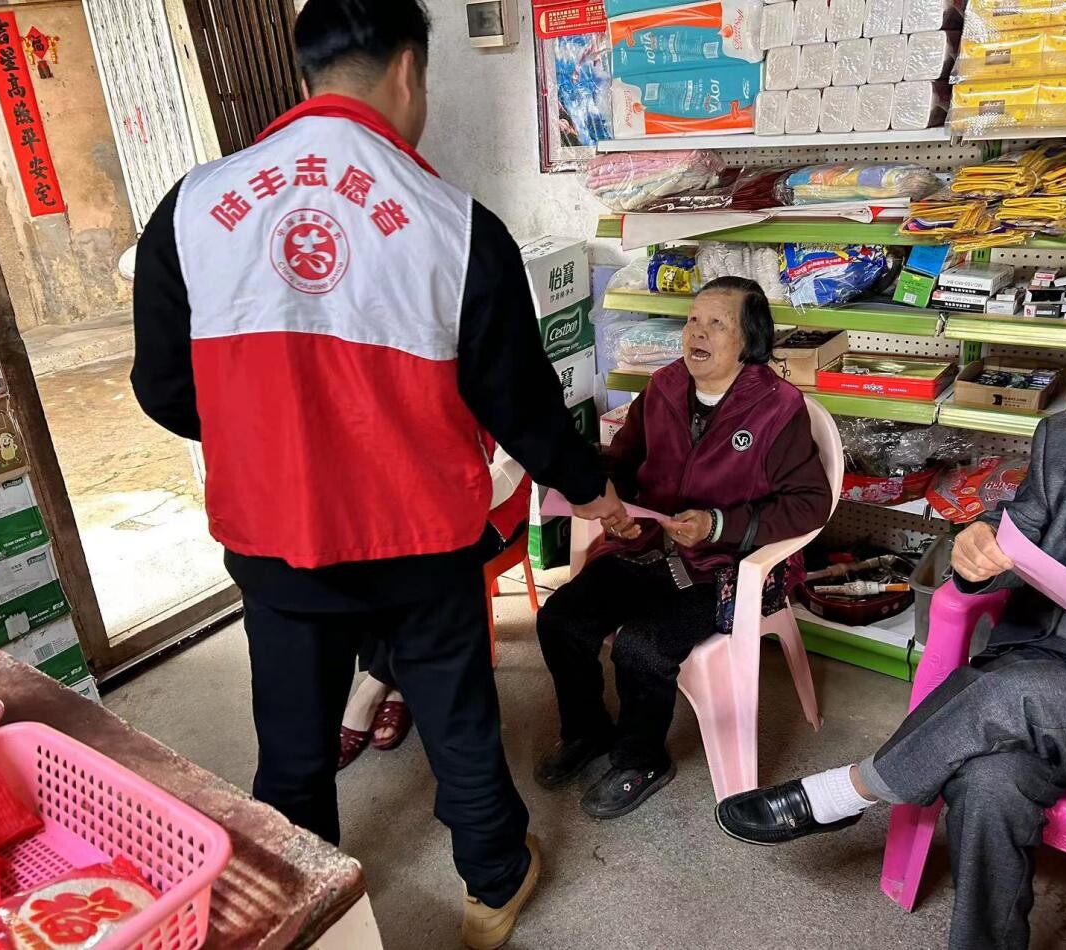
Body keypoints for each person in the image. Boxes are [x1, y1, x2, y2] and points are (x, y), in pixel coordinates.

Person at [129, 3, 631, 947]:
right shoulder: (453, 223)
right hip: (418, 537)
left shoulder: (194, 207)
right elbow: (519, 404)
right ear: (408, 71)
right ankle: (493, 883)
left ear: (308, 71)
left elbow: (162, 389)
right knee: (457, 716)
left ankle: (300, 905)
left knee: (292, 739)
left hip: (273, 533)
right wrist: (591, 485)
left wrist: (264, 438)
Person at [715, 324, 1066, 950]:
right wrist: (978, 549)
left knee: (1007, 693)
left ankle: (846, 792)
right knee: (988, 783)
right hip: (1046, 658)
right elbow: (1014, 538)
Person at [534, 277, 833, 818]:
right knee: (561, 619)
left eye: (717, 323)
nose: (698, 332)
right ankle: (586, 730)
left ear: (749, 342)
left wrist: (719, 524)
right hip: (650, 548)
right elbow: (624, 462)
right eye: (694, 320)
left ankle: (642, 758)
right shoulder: (665, 386)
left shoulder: (778, 408)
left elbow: (810, 504)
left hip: (724, 568)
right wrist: (614, 504)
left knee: (642, 647)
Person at [339, 446, 531, 768]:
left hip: (491, 510)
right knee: (372, 548)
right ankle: (397, 686)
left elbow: (507, 472)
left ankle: (372, 688)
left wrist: (431, 505)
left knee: (423, 566)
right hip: (423, 503)